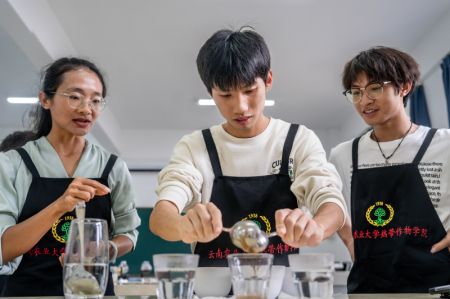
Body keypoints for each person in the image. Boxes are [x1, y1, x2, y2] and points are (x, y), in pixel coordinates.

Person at [150, 27, 347, 267]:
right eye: (225, 95)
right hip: (212, 290)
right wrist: (183, 226)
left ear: (268, 80)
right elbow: (161, 217)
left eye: (249, 91)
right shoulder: (195, 146)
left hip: (281, 288)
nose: (240, 107)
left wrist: (316, 226)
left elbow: (331, 203)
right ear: (210, 92)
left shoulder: (297, 140)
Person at [0, 57, 141, 296]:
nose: (87, 109)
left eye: (96, 100)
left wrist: (105, 249)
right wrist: (60, 206)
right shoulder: (12, 164)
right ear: (45, 99)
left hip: (93, 292)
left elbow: (129, 233)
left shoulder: (112, 167)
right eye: (75, 97)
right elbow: (4, 247)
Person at [329, 46, 450, 293]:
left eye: (375, 88)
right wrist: (349, 238)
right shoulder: (343, 154)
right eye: (355, 92)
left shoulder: (445, 143)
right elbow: (330, 206)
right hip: (369, 289)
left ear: (404, 86)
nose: (364, 101)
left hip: (438, 285)